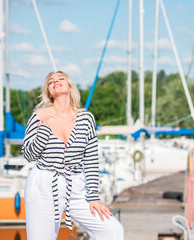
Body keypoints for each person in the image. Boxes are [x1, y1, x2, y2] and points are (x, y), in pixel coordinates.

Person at [22, 71, 124, 240]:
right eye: (51, 81)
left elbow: (91, 159)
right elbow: (28, 154)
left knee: (112, 230)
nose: (56, 81)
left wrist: (93, 196)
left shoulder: (86, 118)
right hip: (43, 185)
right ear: (48, 91)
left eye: (61, 78)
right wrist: (44, 130)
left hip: (76, 185)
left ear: (70, 86)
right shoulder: (39, 116)